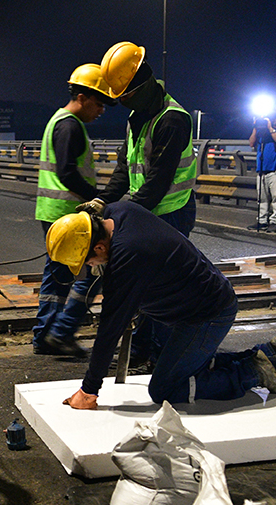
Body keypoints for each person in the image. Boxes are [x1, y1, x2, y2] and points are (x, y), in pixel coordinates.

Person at [45, 202, 276, 411]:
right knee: (177, 364)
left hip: (206, 314)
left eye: (88, 261)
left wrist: (89, 390)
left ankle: (251, 372)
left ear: (101, 246)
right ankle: (272, 353)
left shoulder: (127, 256)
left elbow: (108, 331)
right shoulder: (119, 211)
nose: (90, 268)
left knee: (164, 389)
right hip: (199, 303)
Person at [77, 42, 199, 368]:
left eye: (124, 95)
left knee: (159, 286)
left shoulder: (173, 119)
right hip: (146, 210)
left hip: (170, 213)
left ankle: (157, 355)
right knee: (142, 287)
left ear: (142, 85)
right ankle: (144, 351)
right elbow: (124, 170)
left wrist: (119, 214)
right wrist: (102, 201)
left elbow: (158, 184)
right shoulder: (136, 117)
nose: (121, 102)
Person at [33, 63, 114, 358]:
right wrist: (99, 199)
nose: (102, 109)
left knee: (56, 277)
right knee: (91, 273)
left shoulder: (59, 121)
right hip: (70, 216)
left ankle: (45, 336)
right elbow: (67, 173)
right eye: (98, 102)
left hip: (54, 212)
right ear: (82, 97)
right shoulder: (69, 126)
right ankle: (61, 332)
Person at [248, 105, 276, 233]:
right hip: (262, 168)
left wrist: (271, 129)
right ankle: (262, 221)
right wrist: (256, 128)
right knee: (262, 197)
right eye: (274, 115)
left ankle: (275, 222)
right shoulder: (263, 130)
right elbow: (251, 143)